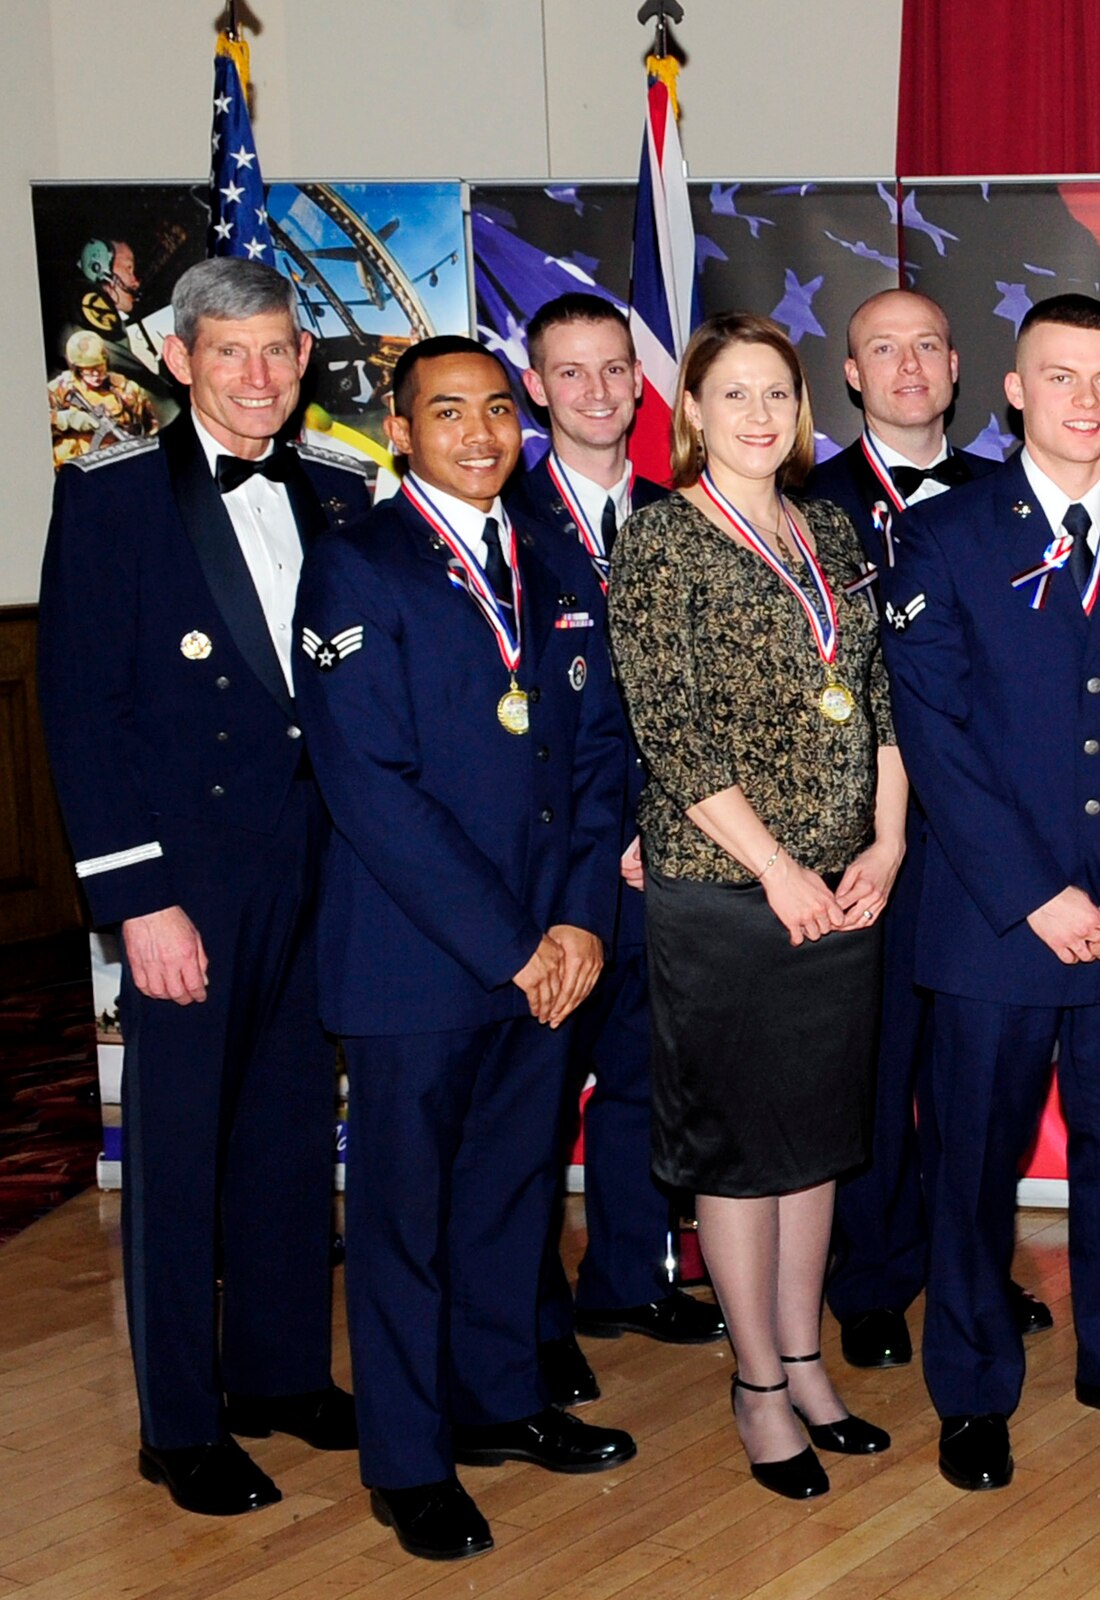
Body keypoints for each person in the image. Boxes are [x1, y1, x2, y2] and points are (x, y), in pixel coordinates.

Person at [880, 294, 1100, 1495]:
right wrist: (1033, 895)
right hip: (996, 926)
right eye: (1060, 377)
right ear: (1015, 390)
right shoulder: (943, 538)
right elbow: (934, 738)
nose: (1086, 401)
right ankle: (973, 1391)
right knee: (973, 1170)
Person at [37, 257, 373, 1518]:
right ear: (177, 361)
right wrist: (140, 898)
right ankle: (178, 1422)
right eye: (228, 352)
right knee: (176, 1156)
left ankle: (281, 1373)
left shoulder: (341, 493)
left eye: (279, 350)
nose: (258, 376)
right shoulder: (111, 496)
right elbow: (82, 708)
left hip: (319, 871)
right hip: (188, 882)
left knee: (290, 1133)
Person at [294, 336, 637, 1561]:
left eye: (498, 409)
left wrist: (581, 920)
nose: (482, 433)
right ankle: (406, 1458)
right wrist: (513, 945)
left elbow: (601, 761)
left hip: (551, 950)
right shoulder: (356, 568)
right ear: (399, 425)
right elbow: (371, 786)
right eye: (450, 412)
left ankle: (499, 1401)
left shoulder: (552, 563)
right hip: (419, 963)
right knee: (403, 1218)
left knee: (509, 1193)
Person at [608, 312, 902, 1501]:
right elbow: (669, 733)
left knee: (814, 1140)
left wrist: (883, 841)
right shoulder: (660, 541)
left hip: (842, 888)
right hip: (730, 893)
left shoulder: (830, 526)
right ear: (690, 414)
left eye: (774, 390)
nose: (757, 413)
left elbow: (875, 701)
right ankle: (755, 1388)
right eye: (731, 394)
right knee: (738, 1151)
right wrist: (778, 867)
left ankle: (804, 1359)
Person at [803, 288, 1050, 1371]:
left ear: (958, 369)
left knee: (973, 1086)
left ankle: (971, 1271)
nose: (907, 367)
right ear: (849, 373)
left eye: (926, 347)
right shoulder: (801, 504)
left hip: (980, 849)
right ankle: (867, 1276)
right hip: (844, 846)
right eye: (880, 349)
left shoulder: (1019, 501)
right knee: (863, 1068)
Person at [507, 291, 726, 1408]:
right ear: (534, 387)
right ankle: (532, 1314)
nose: (597, 391)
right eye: (571, 372)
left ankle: (628, 1273)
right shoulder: (501, 522)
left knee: (648, 1077)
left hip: (676, 857)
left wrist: (671, 819)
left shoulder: (677, 515)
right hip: (559, 873)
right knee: (537, 1098)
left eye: (612, 371)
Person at [49, 329, 159, 465]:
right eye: (88, 369)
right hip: (74, 472)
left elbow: (150, 429)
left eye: (99, 367)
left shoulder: (126, 390)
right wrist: (65, 419)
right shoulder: (59, 390)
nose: (95, 374)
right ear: (76, 368)